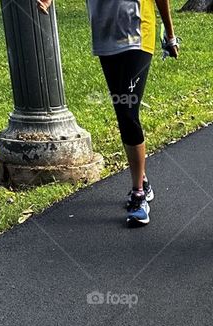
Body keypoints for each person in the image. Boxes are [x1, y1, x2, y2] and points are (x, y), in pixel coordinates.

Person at [38, 0, 179, 227]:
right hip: (105, 34)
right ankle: (141, 176)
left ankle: (138, 195)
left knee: (128, 112)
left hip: (138, 32)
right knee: (122, 112)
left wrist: (170, 35)